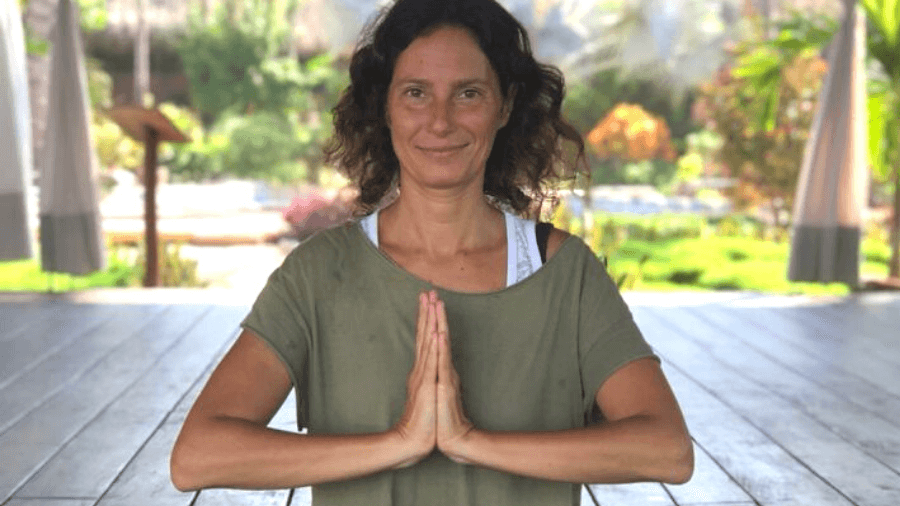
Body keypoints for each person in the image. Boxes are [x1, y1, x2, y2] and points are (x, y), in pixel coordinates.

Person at [170, 0, 694, 504]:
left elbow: (668, 450)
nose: (440, 121)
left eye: (468, 93)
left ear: (505, 106)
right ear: (385, 106)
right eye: (416, 93)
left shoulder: (565, 274)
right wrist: (400, 443)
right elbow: (196, 457)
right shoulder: (317, 275)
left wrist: (470, 442)